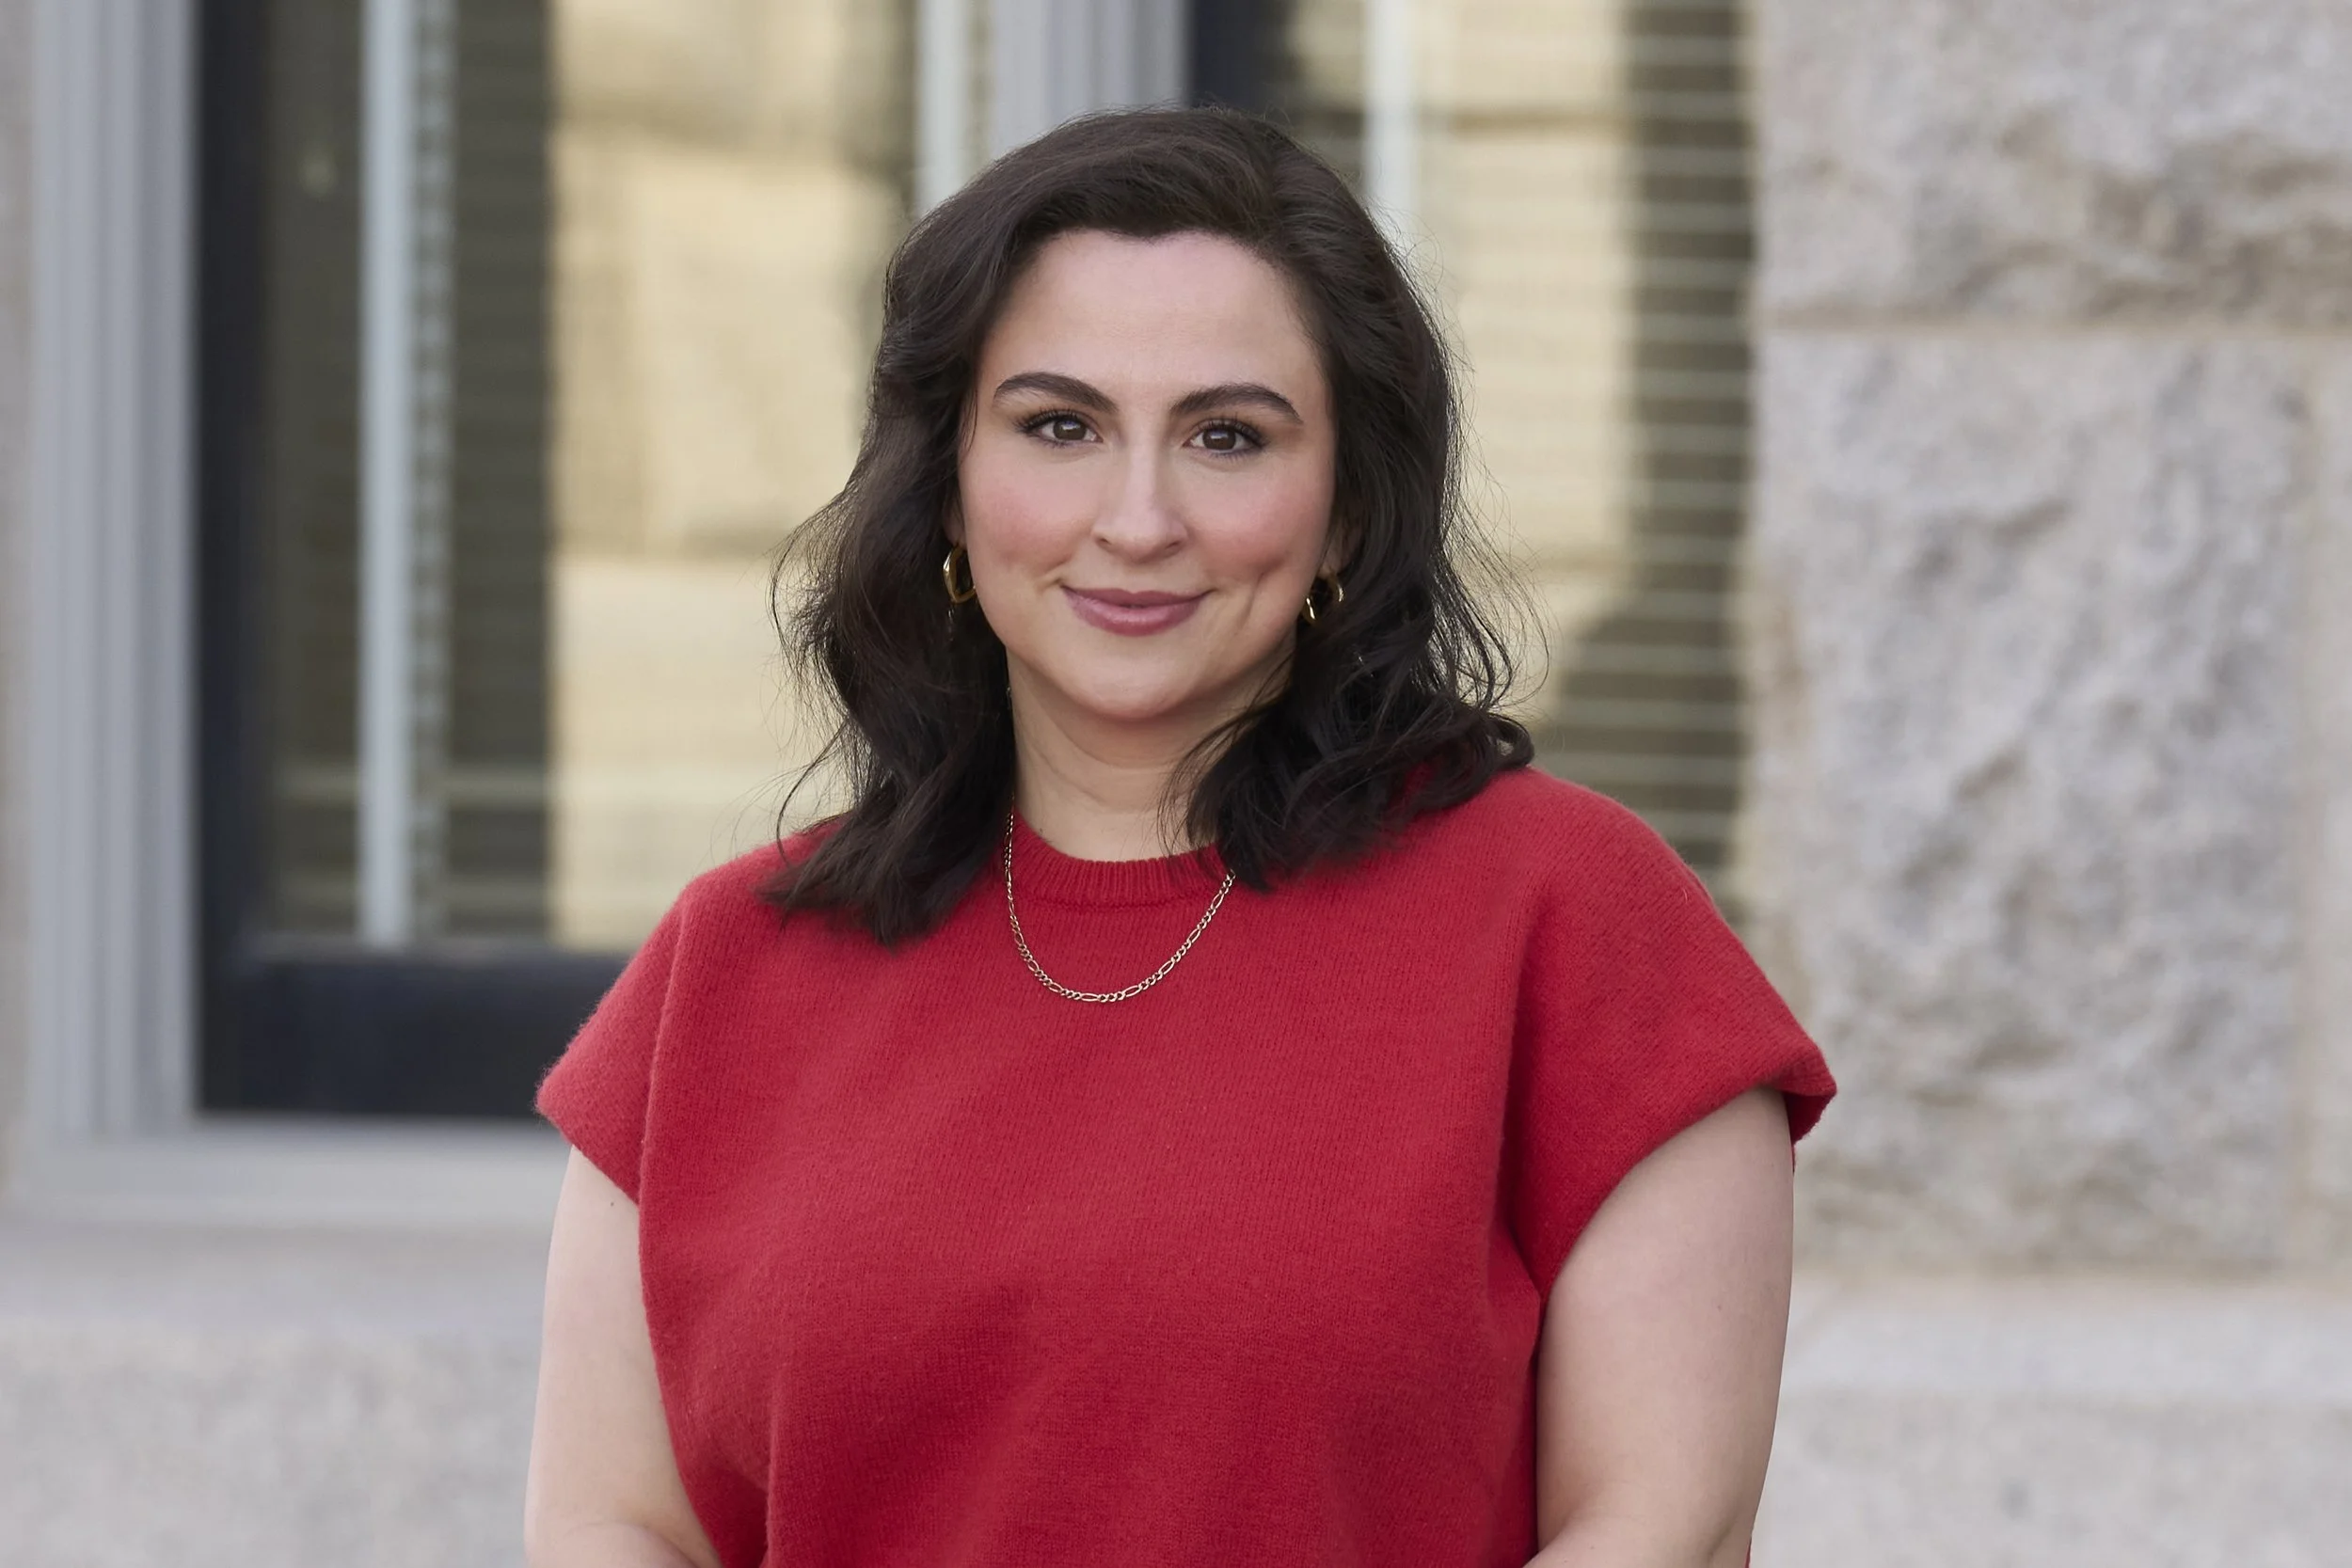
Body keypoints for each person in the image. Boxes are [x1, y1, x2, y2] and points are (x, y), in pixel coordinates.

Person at [523, 106, 1835, 1568]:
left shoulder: (1575, 923)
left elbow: (1661, 1530)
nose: (1137, 517)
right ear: (952, 483)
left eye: (1227, 435)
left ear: (1345, 510)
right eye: (1059, 426)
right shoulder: (728, 967)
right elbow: (611, 1527)